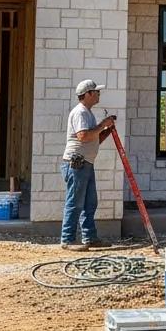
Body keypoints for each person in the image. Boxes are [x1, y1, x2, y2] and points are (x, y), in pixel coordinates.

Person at [61, 79, 117, 250]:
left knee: (89, 203)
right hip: (77, 163)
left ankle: (90, 237)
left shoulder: (87, 113)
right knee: (75, 202)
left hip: (85, 163)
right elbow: (83, 136)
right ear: (87, 94)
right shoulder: (81, 113)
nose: (98, 94)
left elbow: (94, 139)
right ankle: (68, 239)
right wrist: (102, 125)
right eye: (96, 92)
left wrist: (107, 130)